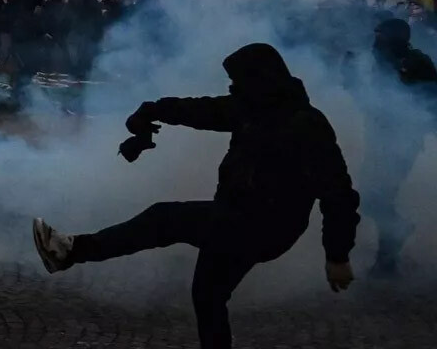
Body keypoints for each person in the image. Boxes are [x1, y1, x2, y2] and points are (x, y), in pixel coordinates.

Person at [33, 43, 358, 349]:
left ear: (261, 80)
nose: (233, 88)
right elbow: (202, 110)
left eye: (238, 81)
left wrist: (338, 255)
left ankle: (71, 250)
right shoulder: (253, 107)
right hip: (234, 215)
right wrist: (154, 110)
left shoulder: (305, 125)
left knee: (165, 219)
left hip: (266, 226)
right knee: (208, 296)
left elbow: (338, 193)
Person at [354, 17, 437, 277]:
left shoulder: (416, 63)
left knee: (378, 196)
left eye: (381, 36)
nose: (375, 41)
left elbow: (429, 103)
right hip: (379, 138)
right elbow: (372, 100)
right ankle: (392, 241)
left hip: (402, 142)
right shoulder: (381, 61)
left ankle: (388, 258)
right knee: (370, 197)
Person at [67, 0, 104, 77]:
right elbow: (98, 15)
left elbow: (66, 13)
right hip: (88, 29)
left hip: (76, 28)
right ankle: (82, 70)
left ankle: (75, 70)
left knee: (74, 52)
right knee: (85, 52)